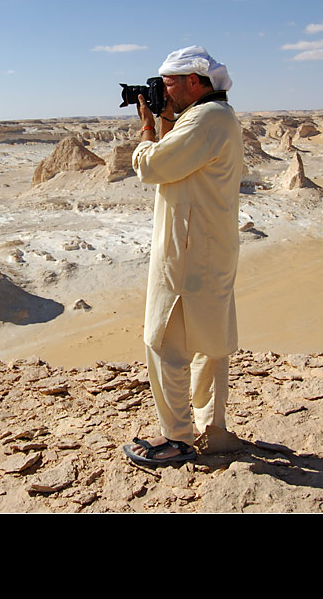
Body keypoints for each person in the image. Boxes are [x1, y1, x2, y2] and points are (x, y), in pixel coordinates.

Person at [122, 46, 243, 466]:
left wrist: (147, 130)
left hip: (187, 254)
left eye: (168, 83)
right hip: (210, 247)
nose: (162, 91)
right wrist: (171, 118)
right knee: (210, 341)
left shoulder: (206, 119)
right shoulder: (213, 117)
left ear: (195, 81)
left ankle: (176, 438)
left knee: (163, 341)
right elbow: (184, 160)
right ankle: (214, 429)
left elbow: (153, 167)